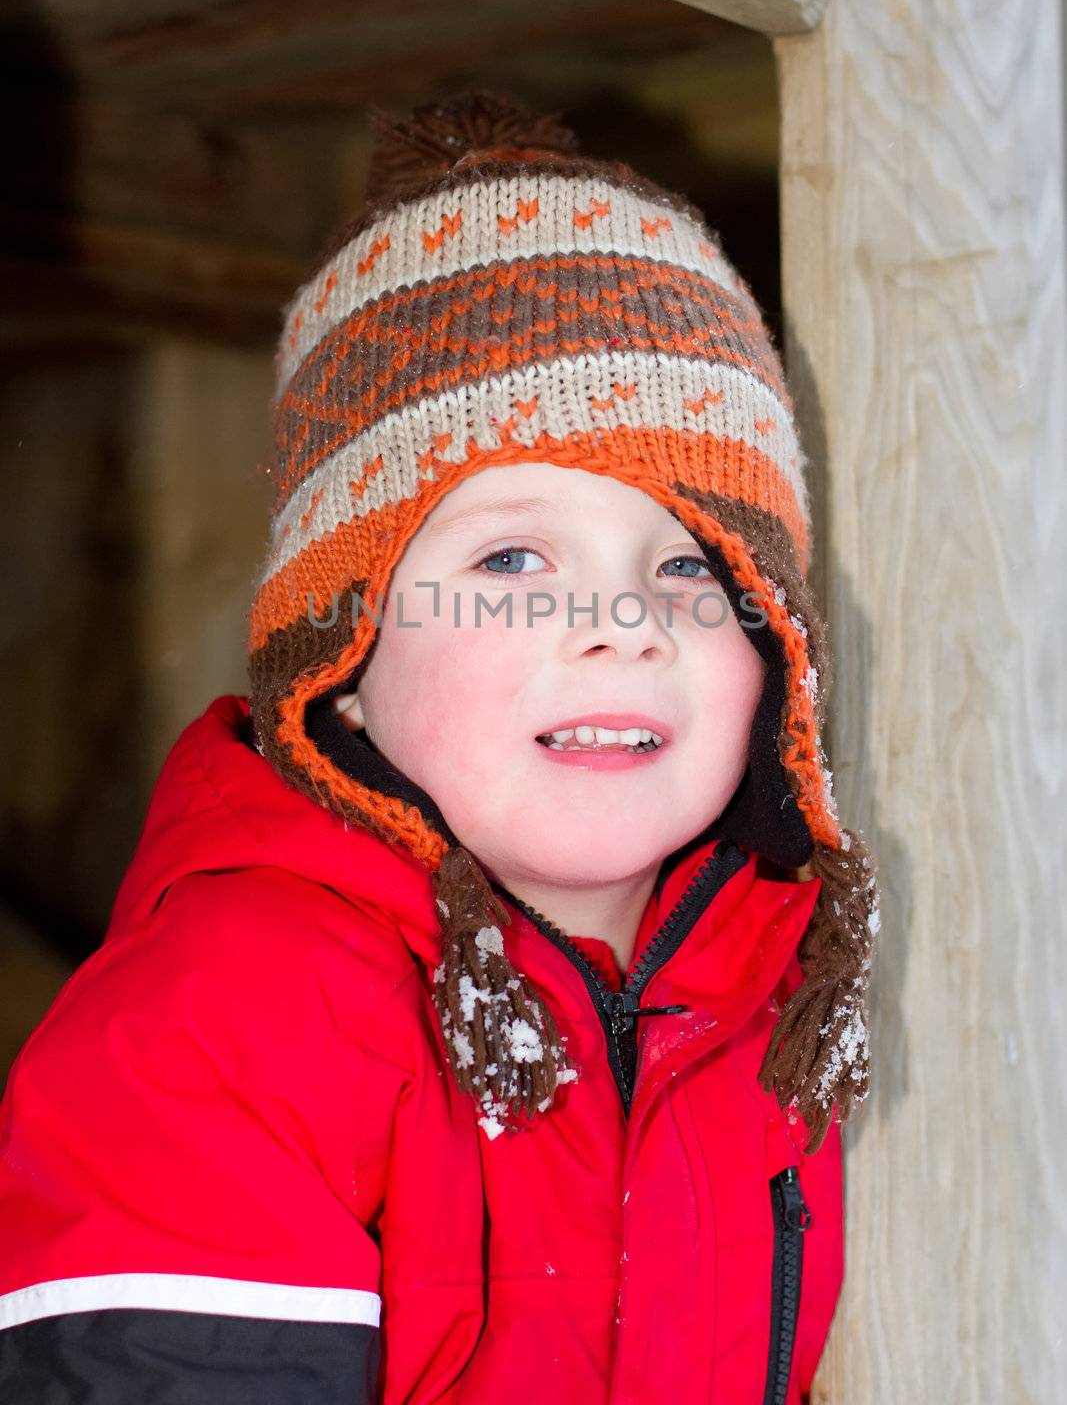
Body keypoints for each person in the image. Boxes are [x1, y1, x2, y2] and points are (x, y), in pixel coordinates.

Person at [0, 89, 881, 1404]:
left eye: (692, 565)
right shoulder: (229, 1019)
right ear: (341, 662)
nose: (622, 624)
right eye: (514, 557)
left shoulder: (784, 1005)